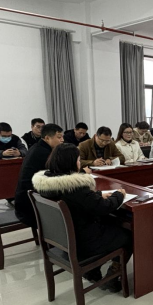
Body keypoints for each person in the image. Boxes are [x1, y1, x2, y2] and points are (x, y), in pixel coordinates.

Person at [32, 144, 132, 292]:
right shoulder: (74, 187)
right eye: (78, 160)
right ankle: (112, 277)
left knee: (111, 223)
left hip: (64, 239)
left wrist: (97, 195)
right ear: (71, 162)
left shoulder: (47, 184)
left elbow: (77, 200)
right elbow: (103, 208)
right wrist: (119, 195)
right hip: (83, 242)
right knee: (129, 235)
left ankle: (92, 271)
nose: (80, 163)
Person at [14, 124, 64, 227]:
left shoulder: (38, 147)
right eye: (59, 137)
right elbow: (58, 175)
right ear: (47, 138)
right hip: (30, 207)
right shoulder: (43, 153)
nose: (62, 140)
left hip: (28, 199)